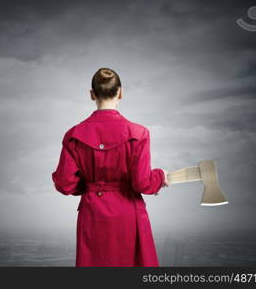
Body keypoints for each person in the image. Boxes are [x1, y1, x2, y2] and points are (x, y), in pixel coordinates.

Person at [51, 67, 169, 267]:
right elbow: (142, 183)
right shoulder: (139, 133)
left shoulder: (73, 135)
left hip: (92, 213)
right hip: (128, 214)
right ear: (121, 92)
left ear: (92, 94)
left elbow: (64, 184)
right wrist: (159, 176)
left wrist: (90, 186)